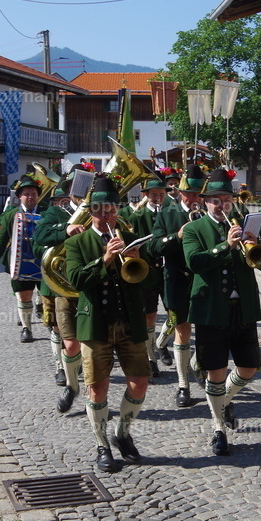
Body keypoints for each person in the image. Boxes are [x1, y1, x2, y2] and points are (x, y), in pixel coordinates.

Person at [65, 176, 152, 472]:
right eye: (101, 211)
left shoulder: (127, 236)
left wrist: (136, 260)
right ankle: (102, 445)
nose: (107, 216)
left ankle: (122, 433)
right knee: (97, 387)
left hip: (128, 322)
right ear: (91, 212)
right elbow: (76, 280)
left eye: (112, 210)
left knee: (139, 382)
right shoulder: (77, 242)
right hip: (96, 324)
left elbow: (143, 282)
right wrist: (104, 260)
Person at [182, 169, 261, 455]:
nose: (221, 205)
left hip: (242, 308)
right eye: (215, 200)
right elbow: (194, 262)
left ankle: (223, 399)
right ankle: (218, 426)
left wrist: (253, 243)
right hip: (211, 309)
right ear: (205, 202)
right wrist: (224, 246)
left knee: (249, 368)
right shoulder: (195, 229)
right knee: (215, 372)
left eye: (226, 199)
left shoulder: (245, 226)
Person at [150, 165, 206, 407]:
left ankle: (199, 367)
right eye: (189, 193)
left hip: (203, 280)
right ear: (180, 193)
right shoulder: (167, 214)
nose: (193, 198)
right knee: (182, 331)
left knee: (205, 331)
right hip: (177, 279)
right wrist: (177, 236)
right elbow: (153, 247)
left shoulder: (208, 214)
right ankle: (183, 385)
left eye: (197, 194)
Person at [32, 178, 87, 412]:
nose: (82, 196)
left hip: (91, 286)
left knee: (93, 344)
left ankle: (93, 397)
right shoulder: (57, 213)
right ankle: (72, 386)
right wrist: (65, 230)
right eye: (78, 192)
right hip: (65, 288)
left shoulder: (99, 212)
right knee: (71, 342)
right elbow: (39, 239)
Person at [0, 174, 42, 343]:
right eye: (26, 194)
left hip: (44, 264)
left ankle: (50, 322)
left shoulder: (46, 213)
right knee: (24, 296)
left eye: (33, 194)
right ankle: (27, 328)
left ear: (38, 196)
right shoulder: (11, 216)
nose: (30, 197)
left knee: (45, 295)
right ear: (19, 197)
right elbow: (1, 240)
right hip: (19, 263)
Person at [128, 177, 171, 379]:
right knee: (150, 317)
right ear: (146, 195)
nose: (158, 198)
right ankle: (151, 358)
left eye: (162, 195)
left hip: (170, 270)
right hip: (148, 271)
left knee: (176, 316)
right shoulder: (137, 215)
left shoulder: (172, 213)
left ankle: (161, 343)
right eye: (154, 194)